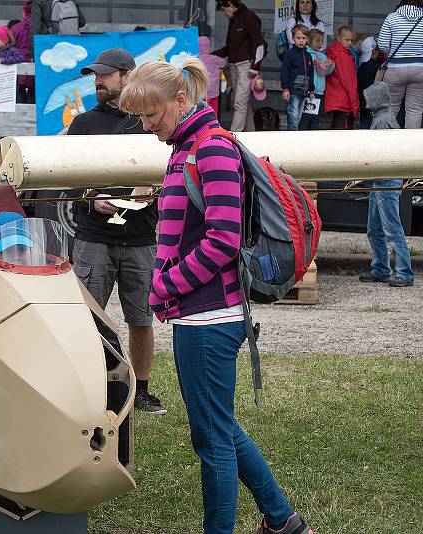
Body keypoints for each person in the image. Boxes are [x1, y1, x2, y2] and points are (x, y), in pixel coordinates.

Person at [119, 58, 313, 534]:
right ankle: (282, 521)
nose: (148, 127)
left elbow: (223, 240)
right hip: (202, 313)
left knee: (212, 442)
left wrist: (165, 284)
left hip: (210, 317)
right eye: (141, 118)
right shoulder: (188, 146)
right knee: (219, 428)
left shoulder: (210, 149)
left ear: (181, 101)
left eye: (153, 115)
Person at [67, 48, 166, 415]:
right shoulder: (83, 125)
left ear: (127, 76)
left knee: (141, 319)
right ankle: (92, 391)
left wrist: (154, 194)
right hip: (93, 237)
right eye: (95, 75)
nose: (98, 81)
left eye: (105, 75)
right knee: (88, 319)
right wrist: (91, 198)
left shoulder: (151, 122)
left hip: (141, 237)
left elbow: (170, 170)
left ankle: (140, 391)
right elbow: (65, 181)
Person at [358, 82, 415, 287]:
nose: (366, 101)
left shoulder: (381, 122)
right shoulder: (384, 118)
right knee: (375, 229)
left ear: (376, 100)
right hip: (381, 181)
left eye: (368, 98)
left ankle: (404, 273)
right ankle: (381, 269)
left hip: (386, 182)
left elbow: (380, 154)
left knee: (391, 229)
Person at [212, 0, 265, 132]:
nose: (225, 13)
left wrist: (255, 66)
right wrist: (210, 55)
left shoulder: (249, 17)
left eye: (225, 10)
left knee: (239, 102)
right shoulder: (234, 20)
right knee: (243, 101)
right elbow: (229, 48)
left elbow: (259, 44)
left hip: (246, 66)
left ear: (230, 4)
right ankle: (251, 133)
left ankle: (234, 134)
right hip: (233, 65)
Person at [377, 0, 423, 129]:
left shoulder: (391, 18)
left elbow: (382, 45)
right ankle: (410, 145)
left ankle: (387, 142)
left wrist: (393, 51)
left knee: (391, 108)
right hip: (420, 69)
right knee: (415, 109)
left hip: (395, 68)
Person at [281, 24, 316, 130]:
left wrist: (312, 90)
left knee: (299, 116)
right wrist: (285, 88)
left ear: (308, 39)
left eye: (303, 38)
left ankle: (295, 135)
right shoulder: (289, 54)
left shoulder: (308, 56)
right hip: (293, 90)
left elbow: (311, 73)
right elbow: (285, 72)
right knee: (293, 114)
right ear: (293, 38)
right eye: (298, 38)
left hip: (304, 91)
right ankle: (292, 136)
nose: (301, 40)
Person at [325, 26, 359, 129]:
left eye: (351, 40)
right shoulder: (344, 56)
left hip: (334, 97)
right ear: (338, 38)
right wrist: (355, 105)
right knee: (343, 133)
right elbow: (349, 82)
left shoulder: (332, 51)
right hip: (344, 100)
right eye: (347, 40)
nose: (349, 43)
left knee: (336, 128)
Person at [300, 28, 334, 130]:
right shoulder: (305, 54)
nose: (320, 44)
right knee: (305, 117)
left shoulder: (322, 56)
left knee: (316, 118)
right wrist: (312, 63)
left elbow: (327, 72)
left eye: (322, 41)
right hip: (308, 90)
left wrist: (330, 65)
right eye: (317, 41)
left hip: (319, 91)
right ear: (309, 41)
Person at [10, 0, 35, 103]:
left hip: (19, 61)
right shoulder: (41, 27)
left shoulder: (16, 28)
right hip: (33, 60)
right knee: (33, 92)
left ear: (24, 12)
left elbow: (10, 45)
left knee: (19, 90)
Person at [357, 36, 382, 128]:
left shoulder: (362, 66)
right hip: (374, 102)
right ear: (374, 51)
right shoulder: (377, 66)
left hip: (363, 101)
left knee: (364, 124)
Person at [199, 36, 227, 115]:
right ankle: (213, 126)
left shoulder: (195, 59)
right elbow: (225, 64)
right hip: (214, 92)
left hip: (200, 93)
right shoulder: (215, 59)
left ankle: (203, 126)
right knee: (214, 112)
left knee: (201, 113)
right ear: (209, 46)